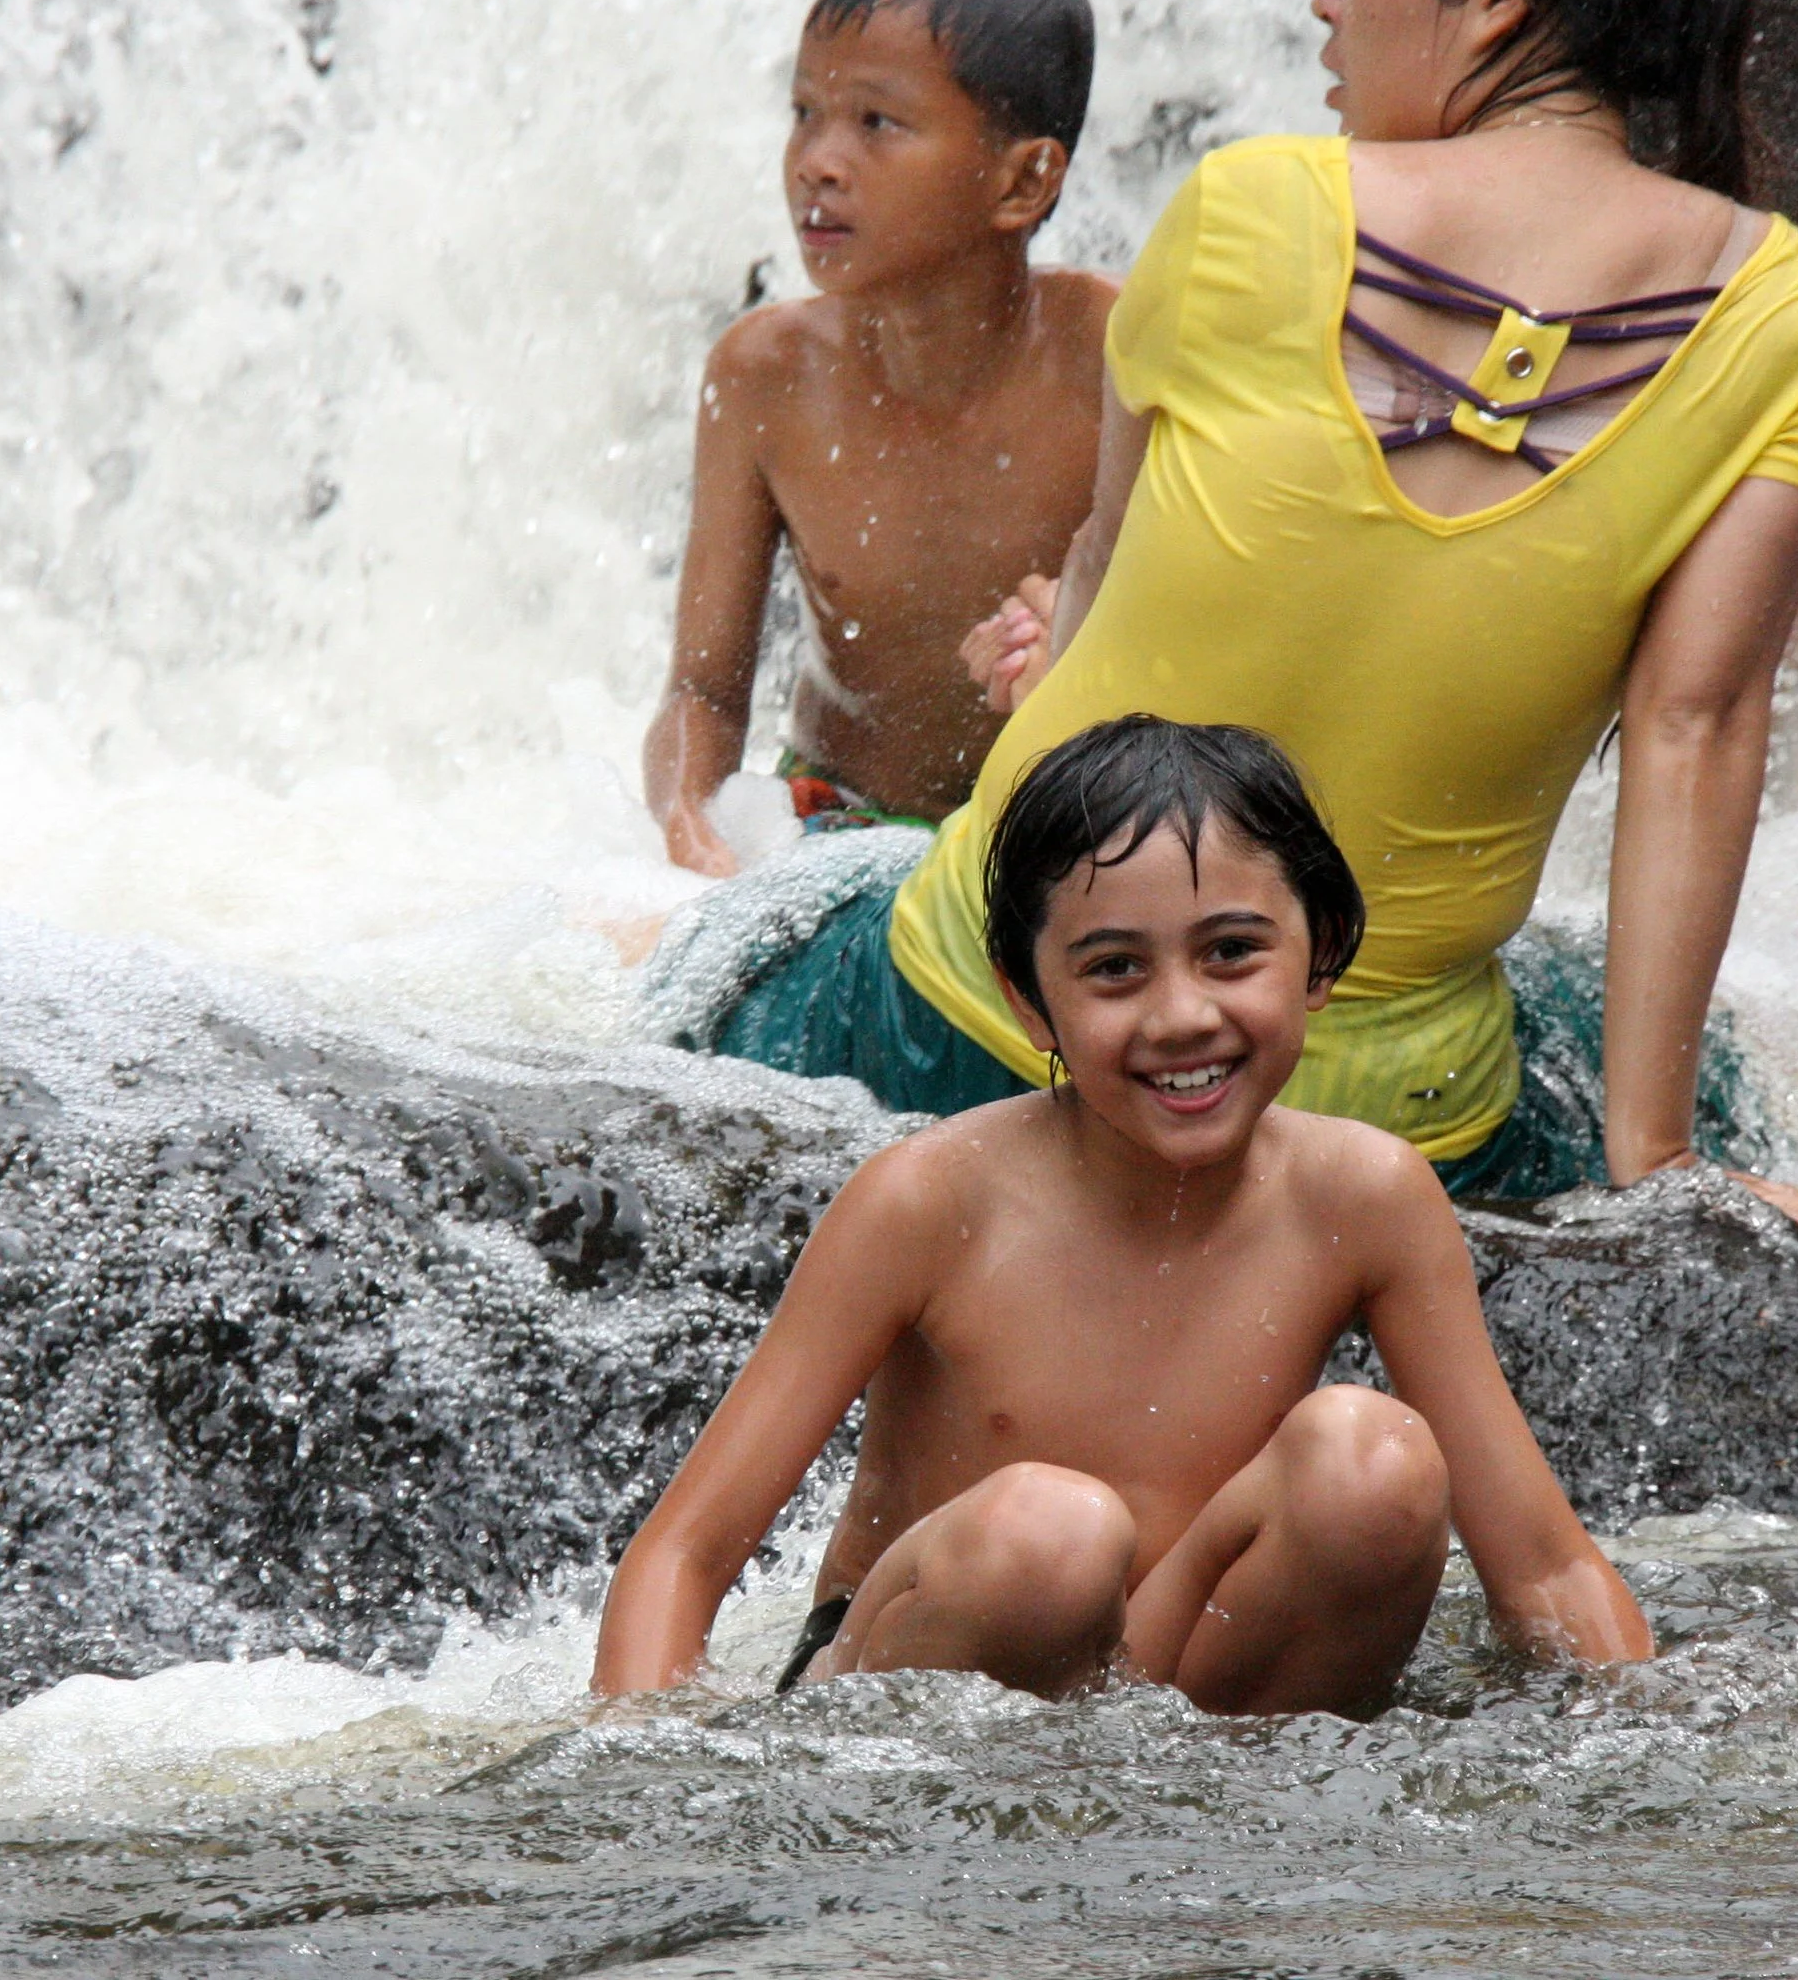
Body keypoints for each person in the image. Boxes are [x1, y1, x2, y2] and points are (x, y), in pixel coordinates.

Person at [665, 0, 1798, 1236]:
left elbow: (1106, 574)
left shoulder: (1252, 205)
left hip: (986, 1025)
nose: (1322, 4)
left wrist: (1055, 661)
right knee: (1592, 1022)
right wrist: (1653, 1153)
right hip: (1389, 1127)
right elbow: (1694, 724)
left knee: (691, 961)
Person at [595, 718, 1649, 1708]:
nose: (1183, 1016)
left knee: (1369, 1462)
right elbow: (682, 1554)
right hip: (918, 1679)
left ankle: (1226, 1851)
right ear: (1026, 998)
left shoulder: (1364, 1198)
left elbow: (1544, 1566)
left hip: (1188, 1696)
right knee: (1048, 1537)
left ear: (1319, 951)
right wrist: (627, 1790)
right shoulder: (930, 1202)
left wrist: (1647, 1761)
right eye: (1113, 971)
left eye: (1231, 951)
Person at [643, 0, 1117, 877]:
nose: (817, 159)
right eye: (804, 112)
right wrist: (691, 826)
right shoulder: (762, 373)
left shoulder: (1119, 355)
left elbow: (1216, 660)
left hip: (1061, 837)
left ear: (1025, 180)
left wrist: (1083, 639)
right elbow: (701, 689)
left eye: (876, 123)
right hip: (830, 825)